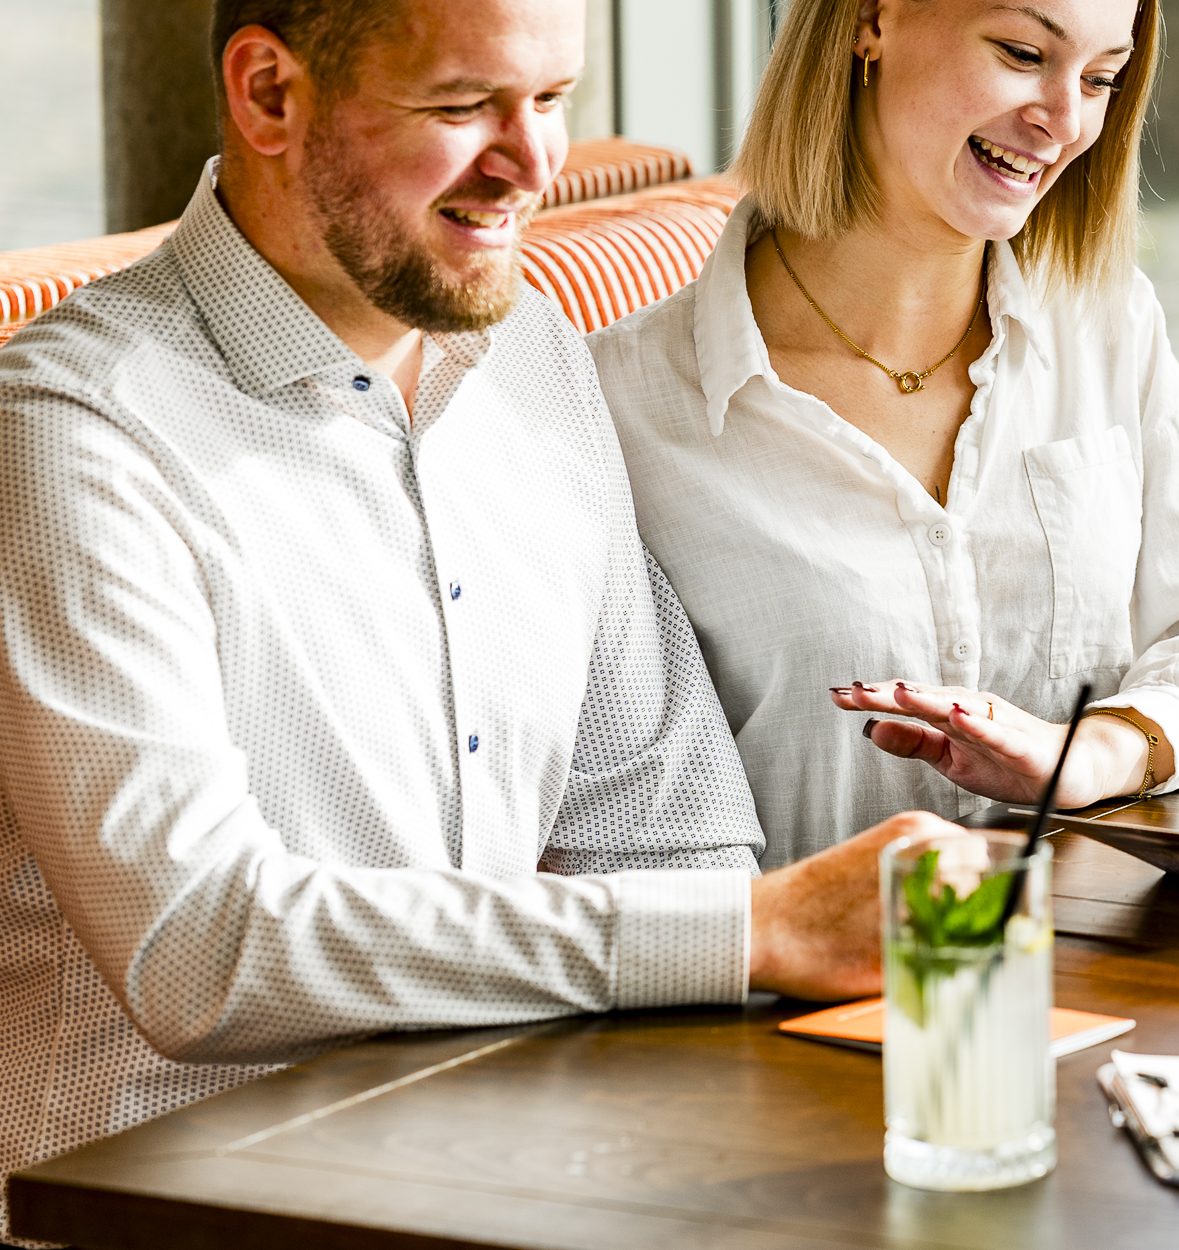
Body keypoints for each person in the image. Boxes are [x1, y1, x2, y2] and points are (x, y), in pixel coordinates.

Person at [0, 1, 935, 1236]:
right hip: (167, 1212)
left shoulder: (532, 348)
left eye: (550, 100)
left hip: (507, 1164)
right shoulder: (76, 430)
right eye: (462, 107)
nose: (532, 163)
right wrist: (752, 932)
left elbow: (663, 822)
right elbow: (198, 945)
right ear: (270, 93)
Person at [591, 0, 1179, 863]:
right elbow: (622, 821)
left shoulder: (1102, 325)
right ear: (872, 19)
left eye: (1100, 79)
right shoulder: (620, 406)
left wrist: (1100, 751)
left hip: (1093, 936)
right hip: (805, 952)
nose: (1065, 122)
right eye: (1023, 53)